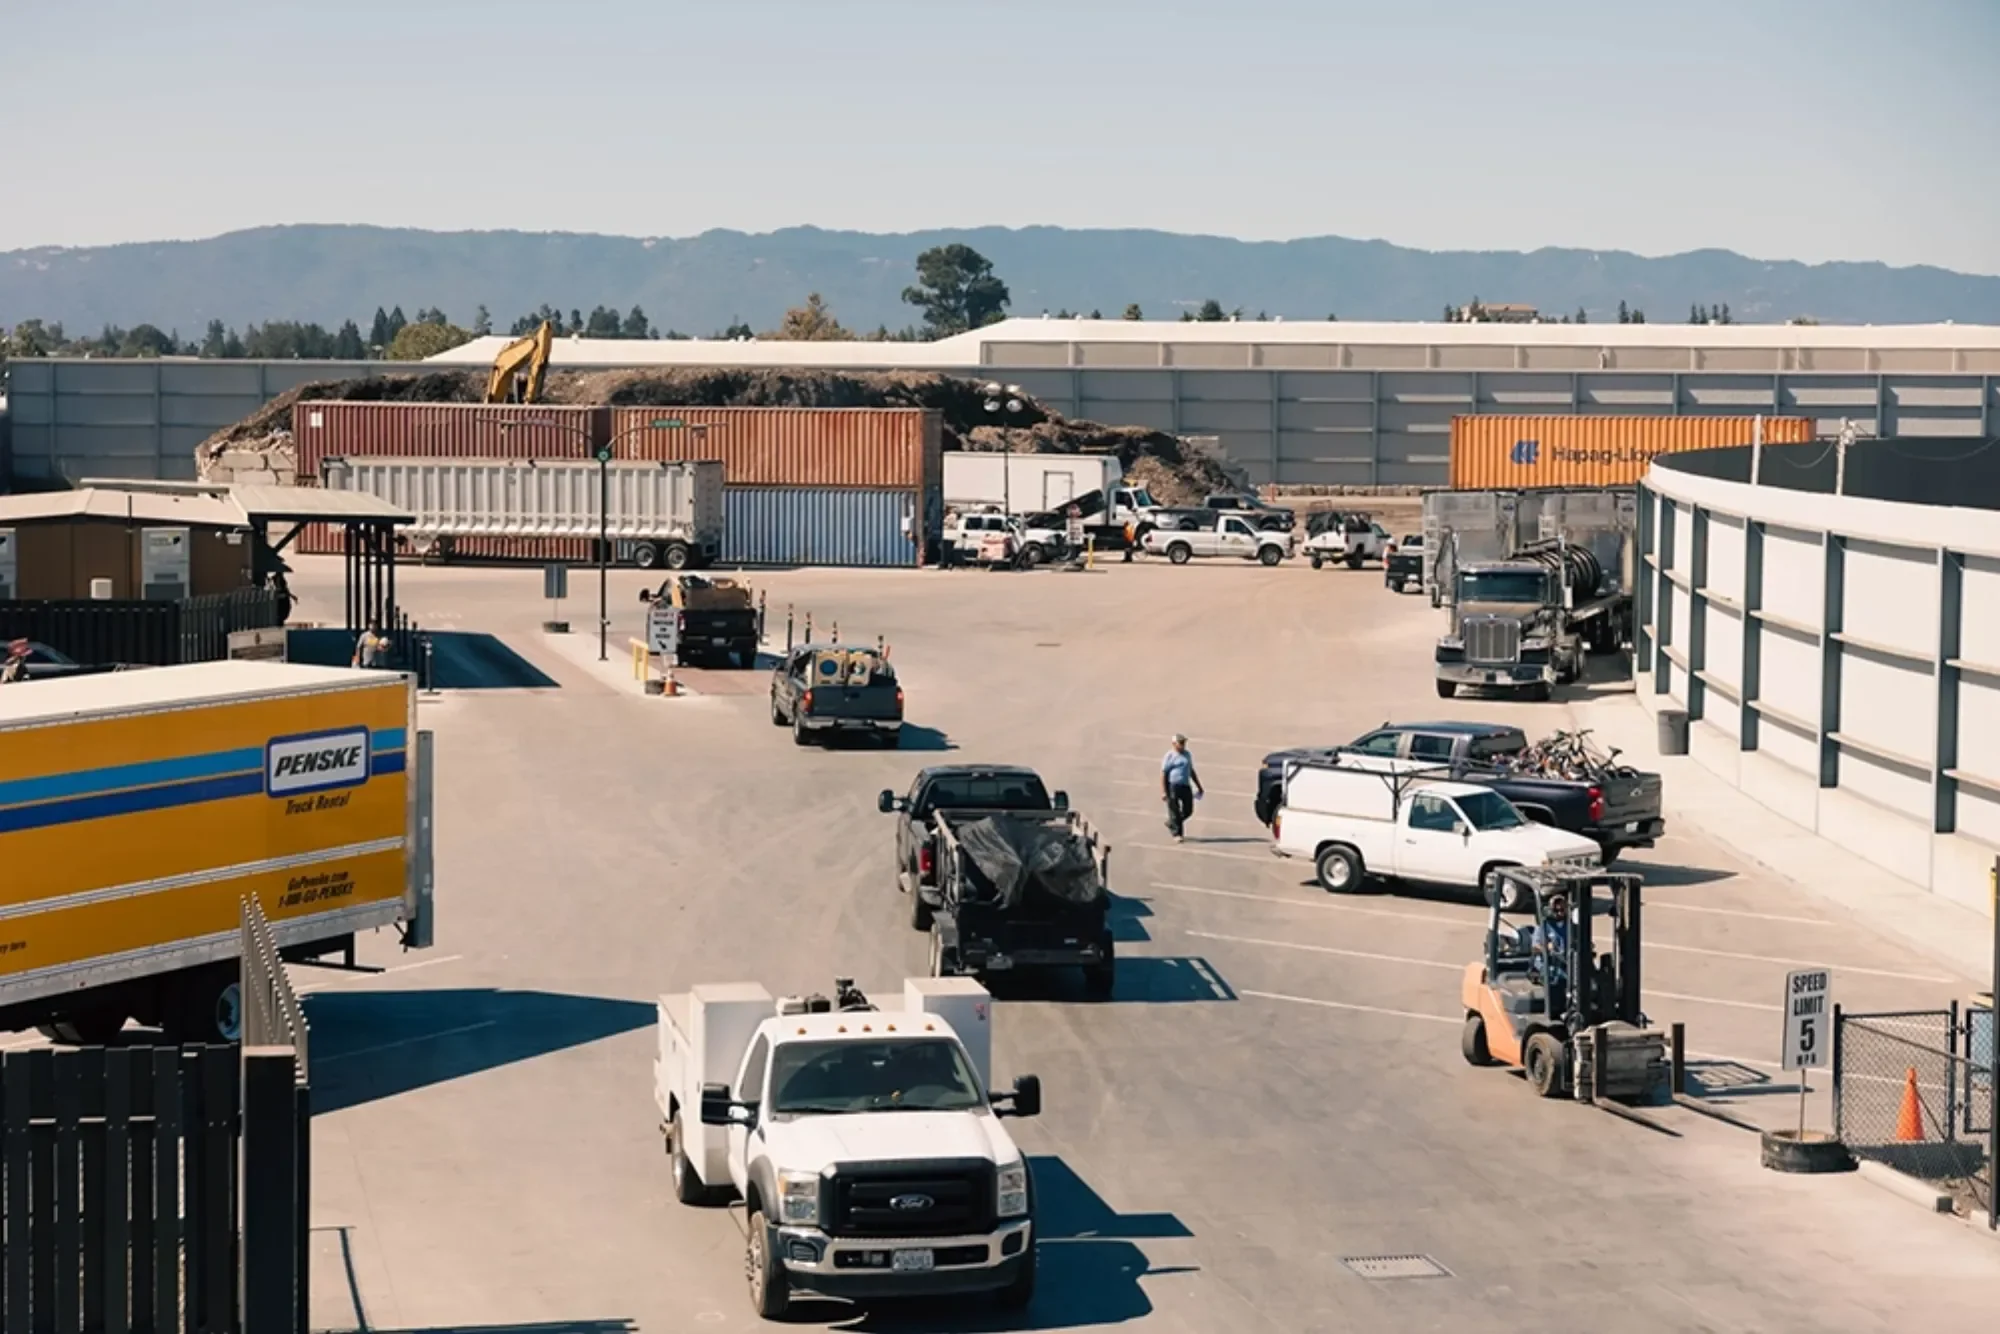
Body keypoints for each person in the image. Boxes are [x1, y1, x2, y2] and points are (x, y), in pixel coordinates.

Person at [1160, 733, 1204, 842]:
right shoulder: (1169, 756)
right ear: (1174, 744)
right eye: (1181, 743)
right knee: (1174, 810)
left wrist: (1199, 785)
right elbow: (1163, 774)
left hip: (1185, 785)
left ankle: (1172, 822)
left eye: (1184, 743)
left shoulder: (1187, 755)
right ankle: (1177, 834)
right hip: (1173, 785)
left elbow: (1191, 770)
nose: (1183, 745)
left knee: (1188, 810)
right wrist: (1164, 791)